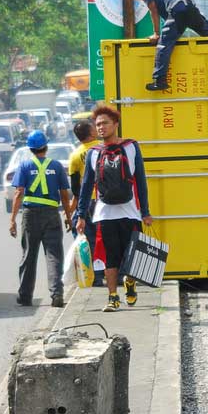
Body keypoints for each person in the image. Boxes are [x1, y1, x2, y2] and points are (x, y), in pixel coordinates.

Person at [76, 105, 151, 313]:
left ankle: (129, 282)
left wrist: (145, 211)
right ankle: (112, 297)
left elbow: (141, 181)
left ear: (115, 124)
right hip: (104, 214)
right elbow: (86, 187)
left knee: (133, 256)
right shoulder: (93, 153)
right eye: (98, 124)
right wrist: (81, 215)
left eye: (105, 123)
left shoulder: (131, 147)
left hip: (130, 212)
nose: (101, 128)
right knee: (110, 257)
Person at [8, 130, 73, 308]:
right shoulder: (57, 166)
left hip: (30, 215)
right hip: (51, 213)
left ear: (30, 149)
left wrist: (13, 219)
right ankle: (57, 294)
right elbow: (65, 195)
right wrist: (68, 217)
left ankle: (25, 296)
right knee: (54, 256)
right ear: (46, 146)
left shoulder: (24, 166)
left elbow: (19, 192)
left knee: (29, 255)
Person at [68, 118, 104, 286]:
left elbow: (75, 188)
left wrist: (75, 210)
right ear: (91, 133)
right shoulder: (105, 147)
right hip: (105, 200)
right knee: (108, 237)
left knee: (90, 241)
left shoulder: (75, 155)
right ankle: (116, 274)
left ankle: (96, 278)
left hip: (87, 202)